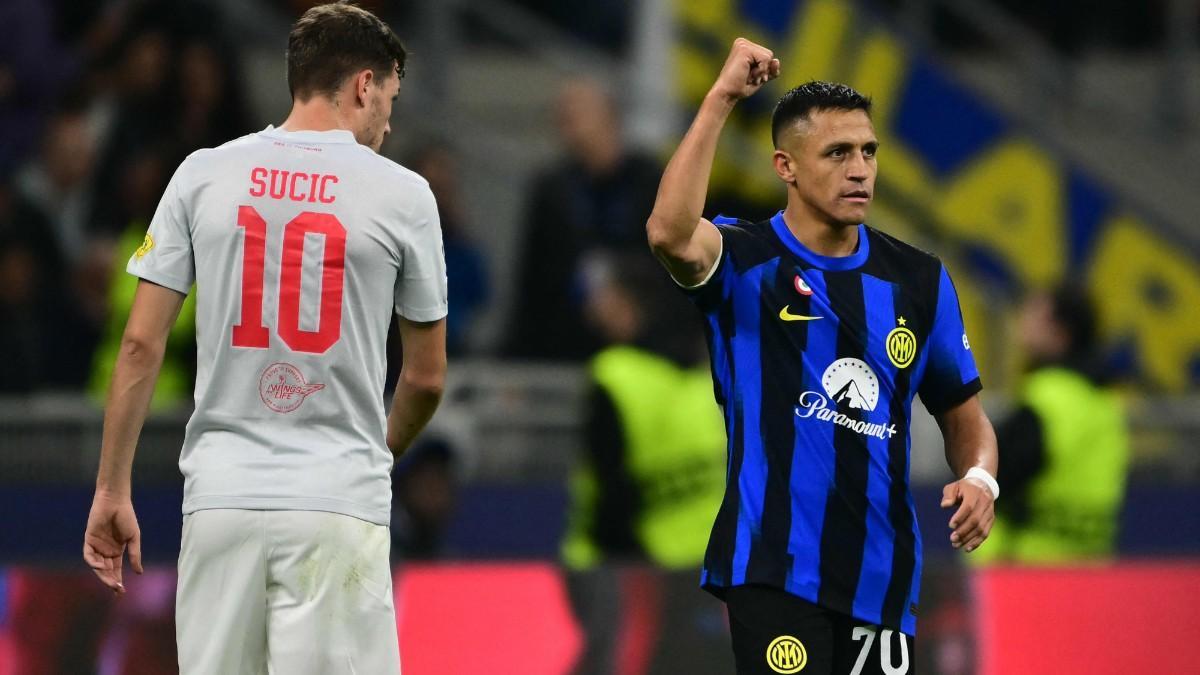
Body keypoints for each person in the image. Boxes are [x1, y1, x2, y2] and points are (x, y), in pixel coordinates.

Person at [81, 4, 448, 674]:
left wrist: (112, 488)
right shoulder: (405, 195)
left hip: (222, 500)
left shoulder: (200, 174)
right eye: (389, 100)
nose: (389, 123)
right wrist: (376, 452)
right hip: (336, 501)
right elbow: (425, 378)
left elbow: (139, 345)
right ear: (363, 85)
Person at [645, 38, 1000, 675]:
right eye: (837, 153)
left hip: (883, 576)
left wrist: (980, 479)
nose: (859, 169)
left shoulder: (917, 281)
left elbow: (964, 416)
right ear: (787, 166)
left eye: (868, 151)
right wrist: (722, 98)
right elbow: (669, 233)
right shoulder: (745, 258)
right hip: (773, 566)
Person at [561, 253, 727, 674]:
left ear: (633, 303)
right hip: (702, 570)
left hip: (621, 567)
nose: (594, 310)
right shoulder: (707, 376)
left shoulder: (614, 374)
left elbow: (611, 490)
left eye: (606, 297)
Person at [505, 77, 663, 361]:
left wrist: (633, 303)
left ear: (609, 116)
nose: (565, 123)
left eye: (576, 113)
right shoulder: (552, 188)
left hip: (644, 341)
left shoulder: (650, 180)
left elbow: (670, 263)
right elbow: (533, 279)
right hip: (565, 341)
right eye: (562, 115)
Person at [974, 284, 1129, 564]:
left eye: (1035, 313)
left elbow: (994, 474)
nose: (1023, 322)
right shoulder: (1106, 404)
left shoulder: (1048, 399)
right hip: (1089, 570)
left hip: (1024, 569)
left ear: (1060, 331)